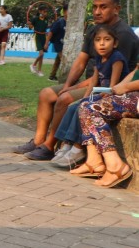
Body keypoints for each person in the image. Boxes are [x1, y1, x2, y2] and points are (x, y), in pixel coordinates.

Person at [15, 0, 139, 160]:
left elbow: (109, 75)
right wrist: (67, 85)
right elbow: (81, 61)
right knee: (46, 94)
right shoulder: (95, 29)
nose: (97, 11)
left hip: (106, 86)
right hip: (91, 80)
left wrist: (70, 90)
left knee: (64, 99)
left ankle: (49, 145)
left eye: (103, 7)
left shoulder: (123, 35)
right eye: (95, 7)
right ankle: (38, 140)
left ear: (116, 9)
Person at [48, 24, 125, 167]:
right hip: (99, 93)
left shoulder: (117, 59)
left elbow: (113, 87)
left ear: (115, 43)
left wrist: (89, 101)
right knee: (73, 107)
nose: (102, 43)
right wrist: (86, 97)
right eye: (98, 40)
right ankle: (66, 145)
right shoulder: (98, 58)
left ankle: (78, 148)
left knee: (82, 108)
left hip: (112, 95)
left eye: (107, 39)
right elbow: (94, 80)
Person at [72, 63, 139, 187]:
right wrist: (117, 88)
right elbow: (136, 69)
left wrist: (126, 87)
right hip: (133, 94)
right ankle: (94, 161)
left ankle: (115, 166)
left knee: (92, 110)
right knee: (85, 104)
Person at [47, 4, 67, 81]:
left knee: (58, 60)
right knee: (64, 60)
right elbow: (51, 32)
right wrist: (46, 43)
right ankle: (65, 77)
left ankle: (52, 76)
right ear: (65, 12)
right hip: (58, 44)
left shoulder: (70, 22)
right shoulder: (60, 22)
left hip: (65, 44)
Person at [28, 7, 50, 76]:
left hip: (44, 36)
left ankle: (39, 70)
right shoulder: (35, 19)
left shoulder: (46, 20)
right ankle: (33, 65)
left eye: (46, 12)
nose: (45, 13)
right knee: (41, 54)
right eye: (44, 11)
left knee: (42, 55)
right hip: (37, 36)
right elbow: (30, 28)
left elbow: (46, 28)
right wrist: (29, 24)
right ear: (40, 11)